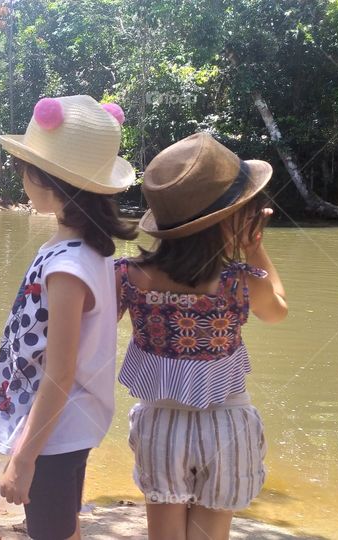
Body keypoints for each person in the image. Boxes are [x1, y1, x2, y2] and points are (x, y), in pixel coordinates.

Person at [115, 132, 289, 540]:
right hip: (227, 425)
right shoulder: (241, 282)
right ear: (232, 220)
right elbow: (278, 311)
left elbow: (95, 332)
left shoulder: (128, 276)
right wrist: (255, 250)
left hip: (160, 423)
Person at [0, 95, 136, 540]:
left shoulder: (68, 267)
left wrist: (25, 457)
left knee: (49, 533)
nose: (22, 179)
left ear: (46, 180)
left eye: (24, 169)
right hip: (71, 425)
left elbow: (59, 371)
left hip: (54, 432)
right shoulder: (89, 250)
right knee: (64, 528)